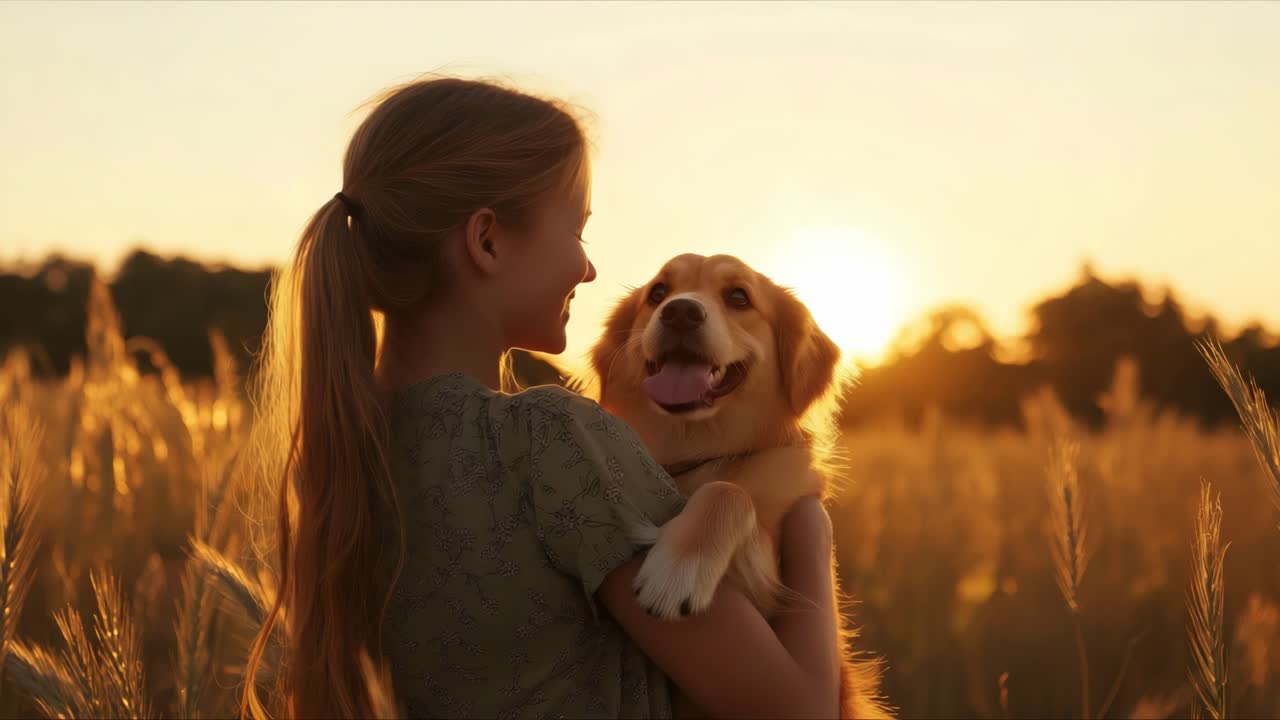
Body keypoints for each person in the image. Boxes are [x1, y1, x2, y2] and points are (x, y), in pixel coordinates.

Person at [243, 75, 840, 720]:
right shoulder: (551, 437)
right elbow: (799, 710)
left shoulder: (344, 446)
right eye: (577, 230)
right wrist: (809, 525)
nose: (588, 269)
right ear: (488, 240)